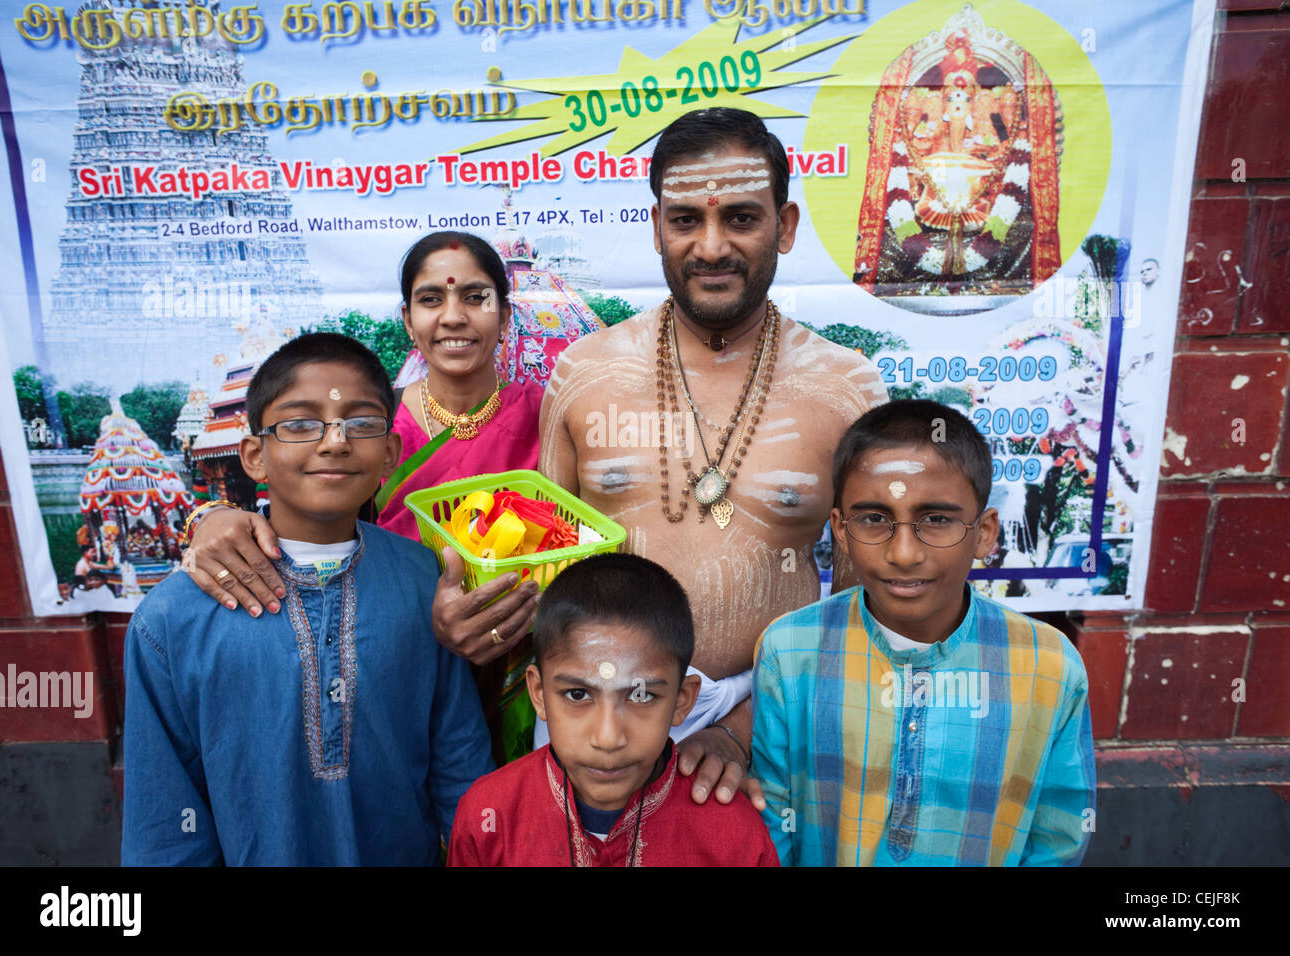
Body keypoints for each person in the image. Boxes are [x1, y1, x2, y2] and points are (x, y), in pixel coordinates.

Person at [526, 108, 888, 805]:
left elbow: (856, 607)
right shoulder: (582, 374)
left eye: (742, 220)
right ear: (657, 224)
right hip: (596, 722)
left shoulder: (846, 389)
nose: (712, 246)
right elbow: (543, 575)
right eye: (686, 219)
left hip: (774, 723)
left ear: (784, 226)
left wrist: (745, 728)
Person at [121, 333, 493, 865]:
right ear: (254, 454)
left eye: (361, 424)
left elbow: (459, 762)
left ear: (390, 452)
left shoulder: (423, 579)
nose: (335, 442)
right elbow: (165, 819)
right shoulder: (174, 618)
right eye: (300, 424)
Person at [179, 232, 543, 759]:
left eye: (475, 296)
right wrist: (211, 518)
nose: (454, 317)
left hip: (518, 672)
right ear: (406, 319)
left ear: (504, 315)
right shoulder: (366, 423)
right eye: (431, 299)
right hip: (385, 660)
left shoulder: (549, 413)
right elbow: (286, 510)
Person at [752, 399, 1096, 866]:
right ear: (841, 530)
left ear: (984, 533)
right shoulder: (790, 651)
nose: (905, 553)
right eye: (874, 519)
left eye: (936, 519)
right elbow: (773, 824)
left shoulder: (1048, 665)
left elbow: (1059, 840)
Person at [447, 553, 779, 866]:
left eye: (640, 696)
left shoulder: (735, 836)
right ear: (538, 692)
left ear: (682, 700)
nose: (607, 738)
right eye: (578, 694)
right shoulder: (488, 815)